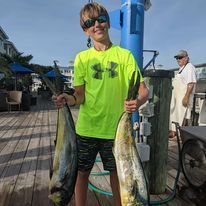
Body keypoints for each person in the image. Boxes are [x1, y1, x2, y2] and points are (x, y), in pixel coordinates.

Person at [53, 2, 149, 206]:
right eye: (90, 22)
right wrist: (67, 99)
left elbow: (143, 91)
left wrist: (137, 102)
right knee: (81, 173)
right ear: (85, 30)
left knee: (119, 176)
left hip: (116, 132)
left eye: (101, 19)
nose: (96, 25)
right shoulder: (81, 59)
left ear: (108, 22)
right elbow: (79, 96)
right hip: (87, 128)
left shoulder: (125, 56)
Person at [169, 50, 197, 138]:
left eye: (180, 58)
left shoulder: (190, 67)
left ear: (186, 58)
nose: (178, 60)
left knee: (183, 115)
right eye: (177, 58)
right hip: (177, 98)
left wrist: (186, 97)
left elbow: (191, 84)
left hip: (183, 97)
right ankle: (175, 132)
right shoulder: (181, 69)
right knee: (175, 114)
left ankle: (183, 136)